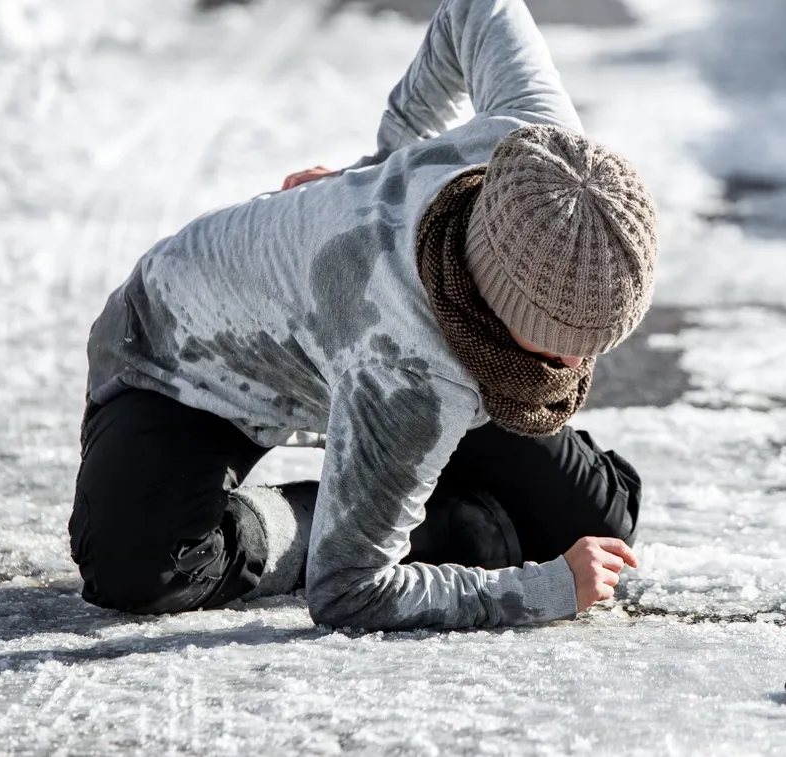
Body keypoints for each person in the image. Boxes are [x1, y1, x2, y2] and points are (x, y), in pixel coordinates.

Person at [68, 0, 658, 631]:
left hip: (383, 330)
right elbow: (348, 591)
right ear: (500, 299)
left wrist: (376, 173)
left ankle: (415, 488)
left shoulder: (546, 155)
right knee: (142, 564)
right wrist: (544, 592)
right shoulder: (409, 370)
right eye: (559, 343)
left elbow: (479, 9)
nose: (575, 367)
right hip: (182, 356)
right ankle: (410, 521)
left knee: (595, 531)